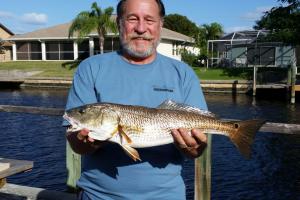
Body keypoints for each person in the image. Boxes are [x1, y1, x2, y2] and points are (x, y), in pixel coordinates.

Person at [64, 0, 208, 199]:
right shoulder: (90, 68)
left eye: (149, 19)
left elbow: (196, 151)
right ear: (119, 24)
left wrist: (195, 148)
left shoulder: (184, 73)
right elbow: (76, 145)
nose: (141, 28)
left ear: (160, 25)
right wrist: (89, 142)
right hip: (98, 195)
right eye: (132, 19)